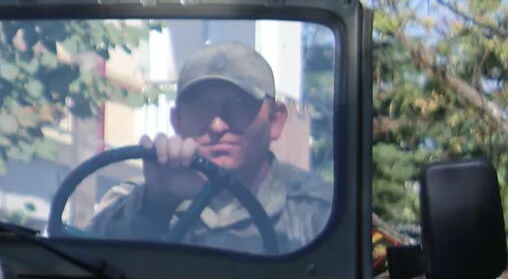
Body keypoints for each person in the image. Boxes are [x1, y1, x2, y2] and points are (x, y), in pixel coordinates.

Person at [90, 44, 333, 256]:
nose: (217, 125)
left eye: (239, 106)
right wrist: (156, 203)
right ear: (177, 121)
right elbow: (84, 272)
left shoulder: (321, 212)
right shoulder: (135, 198)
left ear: (275, 120)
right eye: (201, 108)